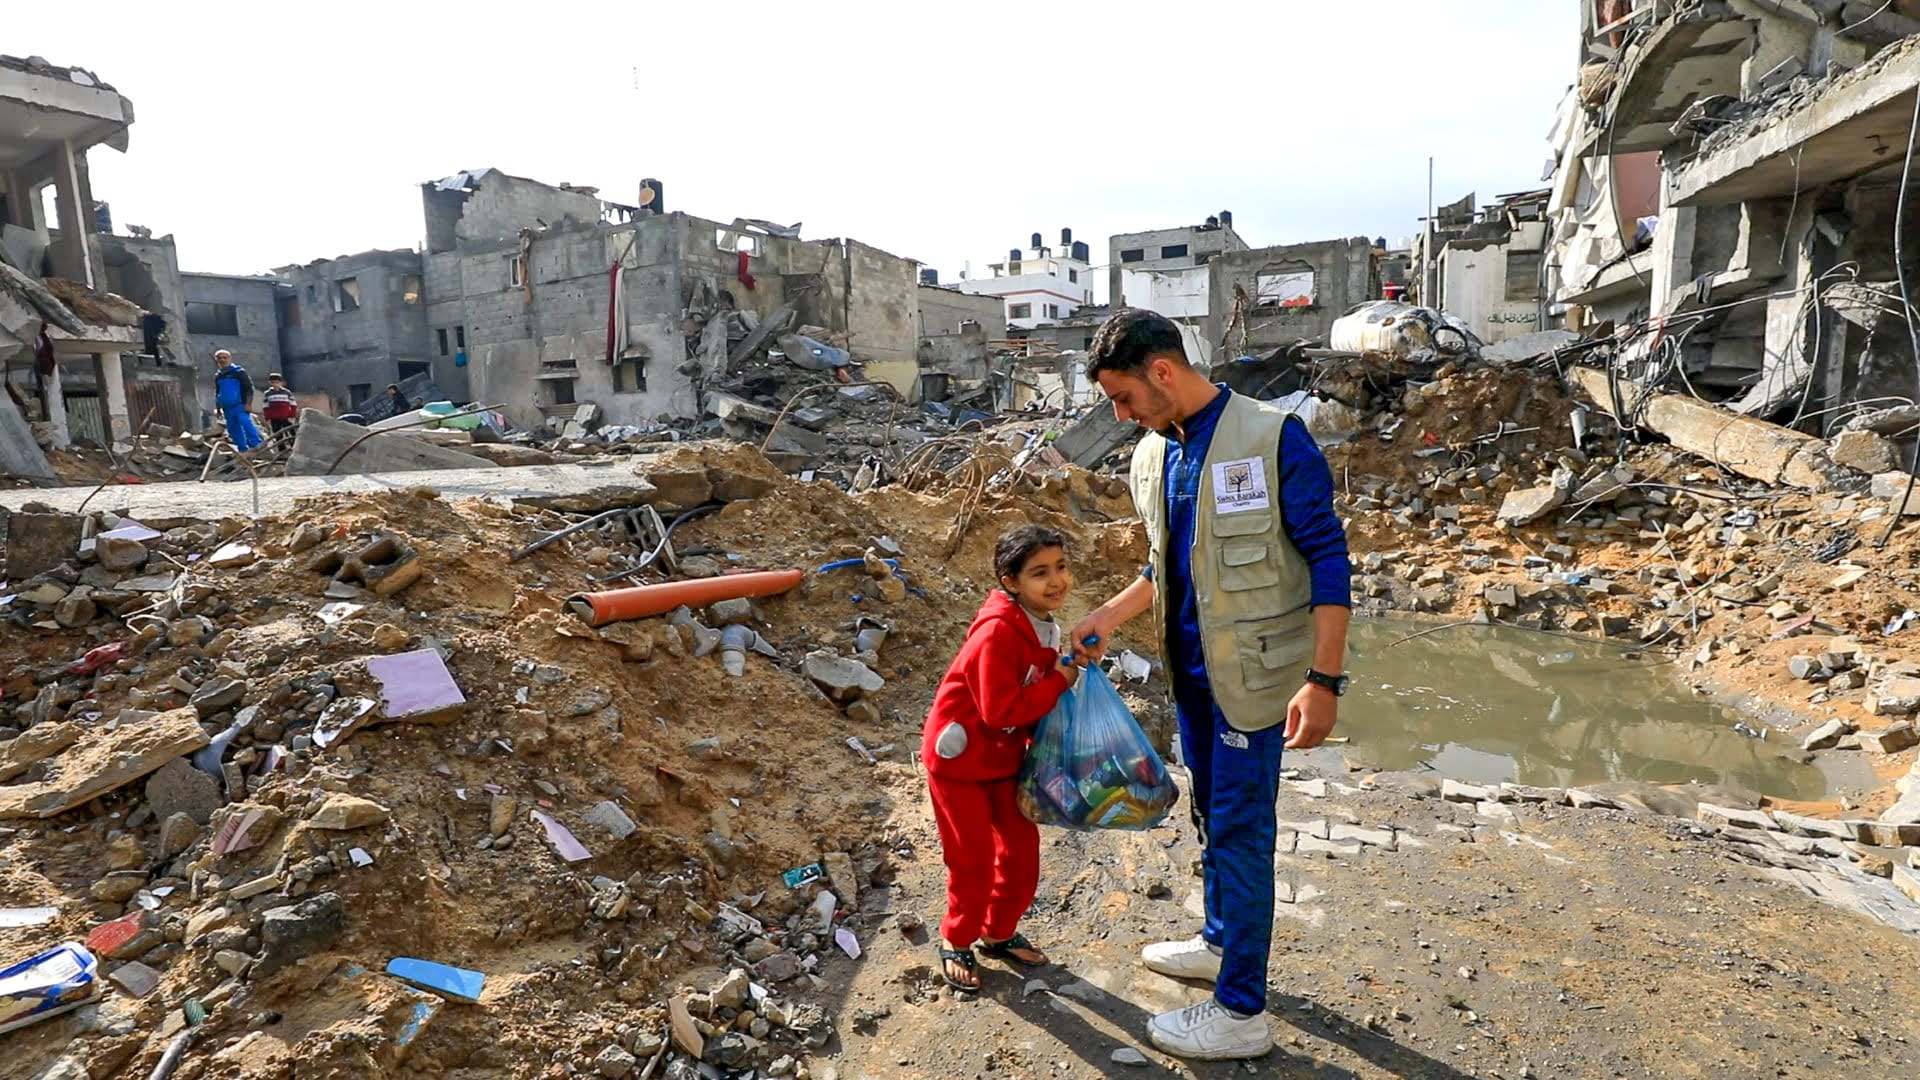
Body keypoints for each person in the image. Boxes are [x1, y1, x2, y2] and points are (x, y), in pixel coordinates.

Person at [1068, 308, 1351, 1061]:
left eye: (1124, 399)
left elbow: (1328, 560)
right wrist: (1107, 615)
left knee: (1241, 833)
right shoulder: (1156, 457)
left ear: (1163, 372)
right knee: (1212, 821)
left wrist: (1324, 679)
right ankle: (1222, 941)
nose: (1121, 417)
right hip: (1191, 679)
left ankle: (1241, 1013)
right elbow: (1166, 566)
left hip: (1255, 680)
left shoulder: (1271, 438)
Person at [921, 525, 1083, 992]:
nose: (1056, 581)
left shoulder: (1043, 623)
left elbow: (1031, 694)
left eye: (1061, 567)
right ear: (1010, 581)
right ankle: (957, 937)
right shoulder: (996, 633)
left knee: (1019, 853)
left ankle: (996, 932)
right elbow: (999, 709)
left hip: (1004, 755)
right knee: (971, 858)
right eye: (1039, 573)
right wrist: (1059, 682)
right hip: (960, 759)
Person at [212, 351, 262, 452]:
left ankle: (257, 444)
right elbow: (218, 392)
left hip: (240, 405)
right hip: (227, 407)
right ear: (216, 360)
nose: (222, 360)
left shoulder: (239, 372)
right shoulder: (218, 375)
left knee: (245, 422)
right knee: (233, 429)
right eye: (220, 358)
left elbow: (249, 388)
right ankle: (242, 449)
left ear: (230, 359)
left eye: (225, 358)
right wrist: (218, 408)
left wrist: (248, 404)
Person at [262, 373, 298, 449]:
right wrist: (267, 417)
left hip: (285, 416)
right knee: (278, 434)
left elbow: (293, 404)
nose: (275, 384)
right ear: (270, 383)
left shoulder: (286, 392)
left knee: (291, 432)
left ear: (281, 383)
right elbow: (266, 406)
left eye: (277, 382)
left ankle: (294, 447)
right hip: (274, 417)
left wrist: (292, 415)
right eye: (273, 382)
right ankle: (281, 449)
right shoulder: (268, 393)